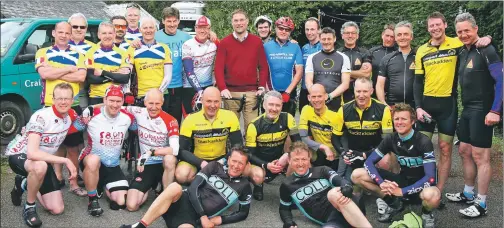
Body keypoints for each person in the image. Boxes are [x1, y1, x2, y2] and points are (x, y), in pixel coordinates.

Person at [413, 11, 491, 198]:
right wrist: (418, 107)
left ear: (445, 25)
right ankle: (420, 185)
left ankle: (438, 191)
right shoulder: (421, 50)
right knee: (420, 148)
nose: (435, 28)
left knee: (445, 149)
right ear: (428, 28)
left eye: (438, 24)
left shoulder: (457, 43)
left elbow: (474, 38)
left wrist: (487, 38)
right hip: (426, 104)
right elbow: (417, 82)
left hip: (448, 105)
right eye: (431, 25)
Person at [445, 12, 502, 218]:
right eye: (460, 31)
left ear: (476, 29)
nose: (463, 34)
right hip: (467, 109)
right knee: (465, 151)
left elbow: (501, 81)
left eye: (467, 30)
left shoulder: (487, 50)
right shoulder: (463, 51)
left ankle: (482, 203)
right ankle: (468, 193)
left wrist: (495, 110)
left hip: (483, 110)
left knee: (481, 156)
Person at [351, 103, 440, 227]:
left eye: (404, 119)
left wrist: (402, 191)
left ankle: (426, 214)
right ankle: (394, 204)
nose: (399, 122)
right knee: (357, 175)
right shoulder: (391, 138)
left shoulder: (423, 141)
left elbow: (430, 178)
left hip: (422, 185)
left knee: (433, 195)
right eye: (396, 119)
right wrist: (381, 182)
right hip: (402, 180)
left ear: (412, 121)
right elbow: (369, 162)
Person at [120, 146, 252, 228]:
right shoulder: (214, 167)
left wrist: (219, 220)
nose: (236, 165)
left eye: (241, 163)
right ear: (228, 160)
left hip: (189, 219)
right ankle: (140, 226)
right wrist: (203, 216)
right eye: (234, 161)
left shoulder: (244, 186)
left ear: (246, 165)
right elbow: (193, 188)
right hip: (180, 201)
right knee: (174, 187)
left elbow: (243, 213)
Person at [6, 83, 79, 227]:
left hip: (43, 161)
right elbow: (32, 153)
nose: (63, 102)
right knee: (39, 167)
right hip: (20, 155)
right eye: (59, 98)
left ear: (72, 101)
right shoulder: (41, 117)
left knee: (57, 209)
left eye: (66, 99)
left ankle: (23, 183)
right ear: (53, 99)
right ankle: (29, 207)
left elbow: (94, 111)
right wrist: (66, 160)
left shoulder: (71, 115)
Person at [35, 21, 87, 196]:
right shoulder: (42, 52)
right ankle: (57, 177)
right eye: (60, 32)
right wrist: (68, 69)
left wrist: (55, 70)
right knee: (52, 145)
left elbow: (81, 76)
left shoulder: (79, 55)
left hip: (72, 106)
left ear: (71, 35)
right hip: (50, 105)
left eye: (67, 32)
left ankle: (74, 183)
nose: (64, 35)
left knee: (73, 148)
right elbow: (44, 74)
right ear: (54, 33)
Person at [279, 142, 371, 228]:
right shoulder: (287, 185)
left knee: (333, 193)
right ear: (289, 160)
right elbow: (284, 209)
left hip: (344, 204)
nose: (300, 164)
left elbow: (341, 181)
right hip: (332, 219)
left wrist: (347, 187)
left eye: (303, 159)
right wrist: (288, 222)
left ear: (309, 158)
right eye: (296, 160)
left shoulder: (322, 170)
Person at [77, 85, 137, 216]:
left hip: (113, 165)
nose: (115, 105)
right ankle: (92, 200)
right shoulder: (91, 114)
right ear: (104, 100)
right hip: (91, 160)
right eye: (111, 100)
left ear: (122, 102)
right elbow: (72, 129)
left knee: (121, 201)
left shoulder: (128, 117)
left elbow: (138, 131)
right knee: (94, 160)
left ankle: (100, 185)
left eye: (118, 101)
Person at [124, 89, 180, 211]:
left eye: (157, 103)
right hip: (147, 165)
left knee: (170, 159)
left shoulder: (171, 120)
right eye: (151, 103)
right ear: (145, 102)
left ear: (162, 103)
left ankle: (166, 196)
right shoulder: (138, 111)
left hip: (163, 164)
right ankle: (153, 185)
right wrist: (91, 108)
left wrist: (150, 152)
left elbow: (174, 149)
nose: (154, 107)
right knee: (131, 206)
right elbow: (114, 105)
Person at [214, 9, 269, 129]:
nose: (239, 23)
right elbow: (218, 68)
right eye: (236, 20)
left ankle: (250, 148)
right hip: (230, 94)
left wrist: (261, 86)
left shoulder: (256, 42)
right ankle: (232, 148)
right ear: (232, 23)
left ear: (247, 22)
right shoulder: (224, 43)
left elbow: (263, 67)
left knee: (252, 128)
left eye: (241, 20)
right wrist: (222, 88)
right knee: (231, 129)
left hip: (251, 93)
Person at [175, 87, 242, 184]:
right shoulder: (190, 119)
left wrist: (223, 161)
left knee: (245, 168)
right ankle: (207, 180)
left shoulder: (230, 116)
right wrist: (201, 163)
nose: (213, 105)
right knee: (182, 175)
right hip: (198, 161)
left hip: (222, 160)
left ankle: (208, 179)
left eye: (216, 101)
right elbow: (181, 150)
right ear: (202, 100)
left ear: (221, 101)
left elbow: (238, 146)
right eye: (209, 101)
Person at [332, 77, 393, 181]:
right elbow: (335, 137)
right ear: (354, 90)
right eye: (358, 91)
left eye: (365, 91)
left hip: (375, 153)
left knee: (386, 159)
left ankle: (385, 185)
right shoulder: (343, 109)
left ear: (371, 91)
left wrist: (365, 155)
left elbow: (387, 141)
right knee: (354, 190)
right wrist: (343, 153)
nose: (361, 95)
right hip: (354, 155)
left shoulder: (383, 109)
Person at [246, 91, 301, 200]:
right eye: (271, 104)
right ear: (264, 105)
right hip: (260, 163)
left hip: (280, 160)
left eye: (278, 105)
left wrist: (288, 155)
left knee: (297, 157)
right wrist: (267, 165)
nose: (274, 109)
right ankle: (258, 185)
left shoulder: (288, 117)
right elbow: (249, 155)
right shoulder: (254, 125)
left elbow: (299, 143)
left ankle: (289, 188)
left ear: (282, 106)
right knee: (258, 176)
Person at [125, 17, 173, 102]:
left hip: (161, 94)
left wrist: (159, 92)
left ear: (155, 29)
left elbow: (168, 75)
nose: (148, 30)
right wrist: (127, 91)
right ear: (140, 30)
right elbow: (126, 73)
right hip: (141, 95)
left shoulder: (164, 48)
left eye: (151, 27)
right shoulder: (133, 48)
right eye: (145, 28)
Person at [263, 16, 303, 116]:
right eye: (281, 28)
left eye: (287, 30)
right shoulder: (266, 46)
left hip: (289, 92)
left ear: (290, 32)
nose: (283, 31)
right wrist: (268, 92)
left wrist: (288, 92)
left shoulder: (295, 46)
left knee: (288, 124)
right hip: (270, 91)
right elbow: (261, 70)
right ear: (275, 29)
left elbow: (299, 71)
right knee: (268, 124)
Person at [305, 27, 351, 112]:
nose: (326, 42)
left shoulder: (344, 58)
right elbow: (308, 81)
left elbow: (345, 84)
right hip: (316, 103)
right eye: (323, 39)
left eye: (329, 39)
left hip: (336, 102)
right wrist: (317, 97)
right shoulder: (311, 58)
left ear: (334, 39)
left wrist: (329, 96)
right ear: (319, 39)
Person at [85, 22, 131, 105]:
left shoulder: (123, 53)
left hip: (116, 97)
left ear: (114, 35)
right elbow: (91, 79)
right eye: (104, 33)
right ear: (99, 35)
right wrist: (115, 74)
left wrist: (102, 73)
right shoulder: (90, 52)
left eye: (110, 33)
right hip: (96, 96)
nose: (107, 36)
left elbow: (124, 79)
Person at [181, 15, 218, 116]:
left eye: (205, 28)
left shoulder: (213, 43)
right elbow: (189, 71)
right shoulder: (188, 45)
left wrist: (216, 39)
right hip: (189, 87)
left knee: (209, 117)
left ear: (209, 29)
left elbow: (226, 54)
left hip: (208, 85)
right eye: (200, 27)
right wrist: (199, 91)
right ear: (195, 28)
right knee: (190, 119)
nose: (202, 31)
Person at [299, 84, 341, 170]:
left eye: (319, 96)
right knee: (299, 152)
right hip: (319, 151)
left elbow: (343, 141)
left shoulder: (336, 114)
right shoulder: (306, 109)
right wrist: (324, 147)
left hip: (336, 155)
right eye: (313, 97)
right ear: (309, 98)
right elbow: (303, 138)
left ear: (326, 96)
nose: (316, 100)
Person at [376, 21, 416, 108]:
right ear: (395, 38)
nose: (402, 37)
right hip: (393, 106)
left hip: (415, 106)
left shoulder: (419, 56)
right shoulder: (387, 59)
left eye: (406, 34)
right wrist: (383, 104)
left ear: (411, 37)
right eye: (399, 35)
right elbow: (379, 84)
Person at [338, 21, 372, 103]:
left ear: (357, 36)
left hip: (361, 95)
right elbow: (335, 74)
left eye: (353, 33)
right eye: (347, 33)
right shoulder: (337, 53)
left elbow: (366, 74)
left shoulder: (364, 52)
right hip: (341, 95)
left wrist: (344, 73)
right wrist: (357, 73)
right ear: (342, 36)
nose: (350, 36)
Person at [299, 17, 322, 112]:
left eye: (312, 29)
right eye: (307, 29)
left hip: (319, 90)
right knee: (303, 115)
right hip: (304, 89)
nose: (309, 32)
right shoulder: (304, 48)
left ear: (319, 30)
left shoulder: (324, 46)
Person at [369, 24, 397, 92]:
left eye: (392, 37)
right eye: (387, 35)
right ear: (382, 35)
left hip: (392, 93)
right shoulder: (372, 52)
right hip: (374, 92)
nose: (389, 39)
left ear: (395, 39)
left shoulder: (398, 53)